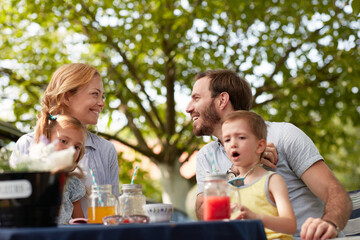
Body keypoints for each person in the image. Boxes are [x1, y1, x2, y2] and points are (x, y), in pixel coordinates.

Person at [185, 69, 352, 239]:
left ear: (222, 100)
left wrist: (329, 223)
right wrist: (235, 170)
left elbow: (335, 193)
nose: (188, 108)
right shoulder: (207, 156)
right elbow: (204, 215)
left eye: (196, 98)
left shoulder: (283, 135)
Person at [10, 63, 120, 217]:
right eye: (95, 94)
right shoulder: (28, 144)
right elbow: (12, 205)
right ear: (67, 96)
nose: (102, 103)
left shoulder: (105, 150)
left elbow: (115, 212)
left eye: (102, 96)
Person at [223, 110, 296, 239]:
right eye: (227, 140)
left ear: (260, 146)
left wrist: (256, 218)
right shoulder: (228, 187)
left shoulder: (272, 180)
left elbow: (290, 225)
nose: (233, 144)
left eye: (241, 137)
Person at [40, 114, 87, 224]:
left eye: (76, 147)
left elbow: (80, 224)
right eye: (64, 141)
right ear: (46, 140)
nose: (70, 149)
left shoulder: (72, 184)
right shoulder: (33, 177)